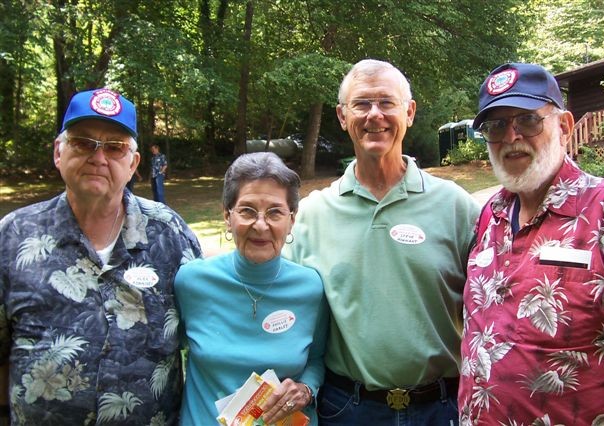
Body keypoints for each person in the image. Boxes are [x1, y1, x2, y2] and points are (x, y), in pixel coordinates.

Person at [283, 59, 480, 425]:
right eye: (361, 104)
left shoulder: (455, 207)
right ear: (343, 116)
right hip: (348, 409)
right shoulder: (312, 215)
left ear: (410, 112)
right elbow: (283, 308)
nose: (375, 115)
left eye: (387, 102)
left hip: (441, 408)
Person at [0, 88, 202, 425]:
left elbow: (209, 334)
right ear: (58, 152)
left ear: (133, 164)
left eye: (114, 147)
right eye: (83, 143)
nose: (98, 157)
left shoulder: (170, 233)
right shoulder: (13, 236)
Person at [458, 62, 604, 424]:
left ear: (565, 126)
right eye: (496, 126)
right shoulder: (491, 214)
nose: (511, 137)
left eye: (527, 120)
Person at [174, 152, 328, 425]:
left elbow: (317, 359)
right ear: (227, 215)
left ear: (292, 220)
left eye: (275, 212)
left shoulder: (310, 287)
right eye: (247, 210)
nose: (260, 225)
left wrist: (306, 389)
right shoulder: (191, 282)